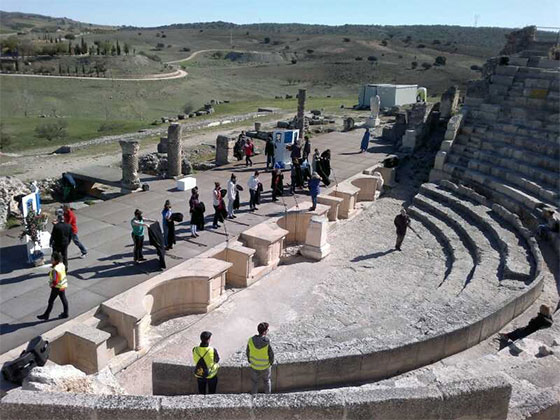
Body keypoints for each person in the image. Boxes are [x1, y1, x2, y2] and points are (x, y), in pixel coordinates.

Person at [37, 252, 68, 320]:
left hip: (56, 287)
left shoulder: (55, 270)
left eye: (52, 259)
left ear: (56, 260)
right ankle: (66, 313)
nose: (51, 260)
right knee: (63, 299)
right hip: (62, 285)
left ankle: (46, 315)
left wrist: (51, 285)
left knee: (50, 301)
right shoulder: (61, 265)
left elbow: (55, 281)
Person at [246, 322, 274, 395]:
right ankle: (267, 397)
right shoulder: (267, 342)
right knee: (267, 381)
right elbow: (271, 354)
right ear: (264, 332)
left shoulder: (250, 340)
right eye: (267, 330)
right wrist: (271, 363)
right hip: (265, 366)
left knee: (254, 382)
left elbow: (248, 352)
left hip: (254, 365)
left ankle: (254, 397)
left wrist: (250, 361)